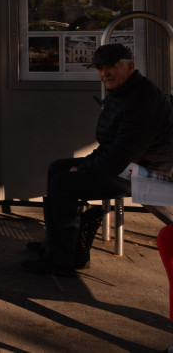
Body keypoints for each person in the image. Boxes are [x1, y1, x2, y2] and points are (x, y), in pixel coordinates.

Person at [23, 43, 173, 275]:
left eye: (111, 67)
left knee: (64, 183)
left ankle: (61, 259)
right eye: (100, 68)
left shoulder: (142, 101)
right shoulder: (125, 92)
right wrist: (82, 165)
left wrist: (83, 167)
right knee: (58, 169)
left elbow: (120, 156)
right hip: (130, 166)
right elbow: (112, 147)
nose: (104, 74)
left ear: (130, 66)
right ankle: (55, 247)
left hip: (149, 175)